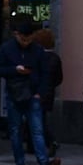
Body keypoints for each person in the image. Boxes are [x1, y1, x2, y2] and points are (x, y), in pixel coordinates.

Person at [0, 21, 62, 165]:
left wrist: (40, 92)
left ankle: (44, 163)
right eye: (23, 38)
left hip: (33, 94)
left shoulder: (38, 50)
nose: (26, 42)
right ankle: (20, 163)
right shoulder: (7, 48)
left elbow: (46, 74)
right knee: (15, 130)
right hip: (15, 93)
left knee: (37, 130)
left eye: (29, 38)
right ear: (16, 35)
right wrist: (14, 69)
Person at [33, 27, 63, 156]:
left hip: (38, 92)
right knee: (41, 118)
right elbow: (59, 78)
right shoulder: (55, 58)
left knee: (38, 120)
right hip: (49, 92)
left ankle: (50, 141)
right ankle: (42, 143)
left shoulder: (38, 57)